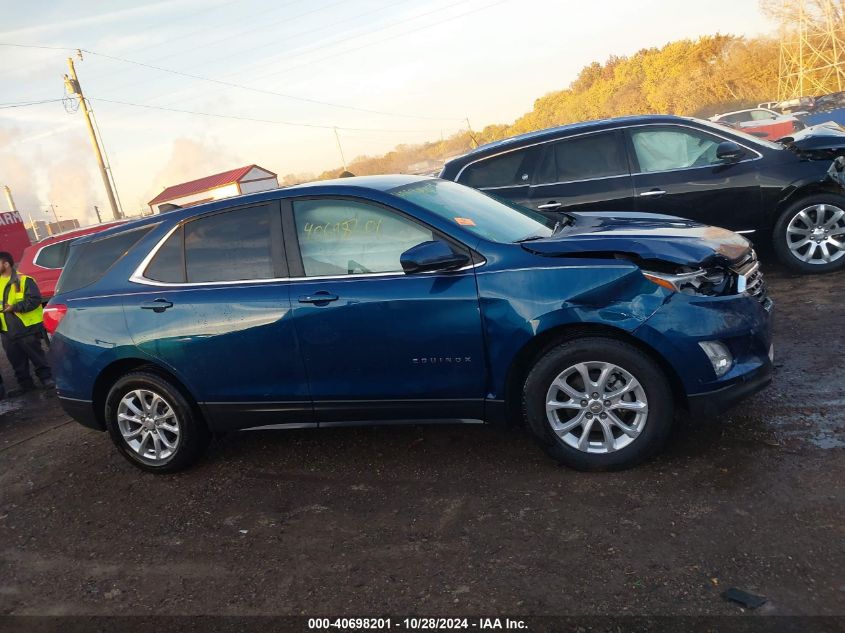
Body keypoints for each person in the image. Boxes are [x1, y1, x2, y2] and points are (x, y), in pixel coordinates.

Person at [0, 251, 54, 399]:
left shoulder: (24, 280)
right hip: (6, 330)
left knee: (36, 355)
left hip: (26, 327)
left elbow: (35, 299)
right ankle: (26, 385)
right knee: (15, 359)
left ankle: (46, 379)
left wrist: (15, 307)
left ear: (6, 264)